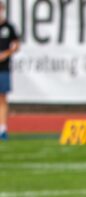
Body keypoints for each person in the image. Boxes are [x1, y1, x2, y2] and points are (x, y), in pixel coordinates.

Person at [0, 0, 19, 141]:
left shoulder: (8, 27)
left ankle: (2, 129)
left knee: (2, 98)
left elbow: (16, 45)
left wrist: (6, 54)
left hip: (3, 68)